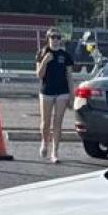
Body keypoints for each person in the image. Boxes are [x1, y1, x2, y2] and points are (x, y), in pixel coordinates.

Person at [35, 29, 73, 162]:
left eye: (58, 37)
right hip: (47, 91)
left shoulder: (65, 55)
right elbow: (39, 75)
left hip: (62, 92)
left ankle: (55, 152)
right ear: (48, 38)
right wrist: (45, 61)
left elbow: (69, 76)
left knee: (58, 122)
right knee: (45, 122)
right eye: (53, 37)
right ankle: (44, 142)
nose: (55, 39)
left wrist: (72, 96)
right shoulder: (42, 53)